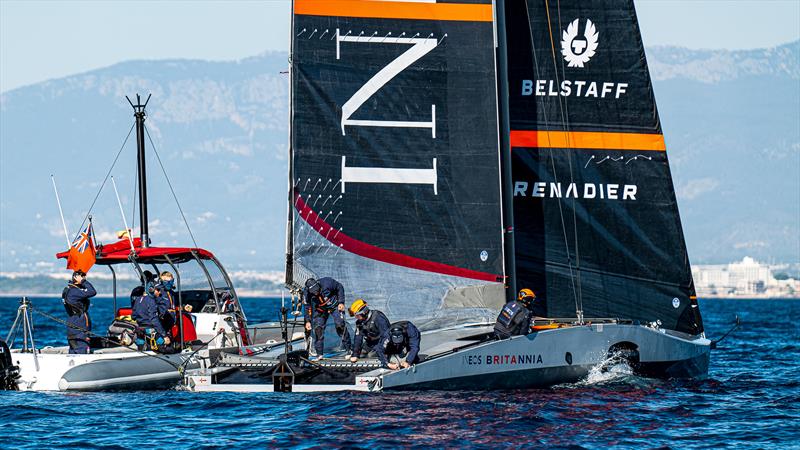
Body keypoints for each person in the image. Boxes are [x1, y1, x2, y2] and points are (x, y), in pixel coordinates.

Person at [303, 277, 352, 360]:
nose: (316, 293)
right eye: (313, 292)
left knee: (340, 325)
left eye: (317, 290)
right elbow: (307, 306)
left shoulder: (327, 282)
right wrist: (307, 321)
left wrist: (341, 302)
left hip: (334, 305)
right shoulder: (306, 293)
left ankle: (349, 350)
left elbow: (339, 287)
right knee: (318, 329)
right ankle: (319, 355)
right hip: (320, 309)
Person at [62, 270, 97, 354]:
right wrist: (83, 281)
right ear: (76, 278)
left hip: (72, 323)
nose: (84, 279)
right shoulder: (74, 291)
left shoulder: (69, 290)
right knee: (81, 348)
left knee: (74, 347)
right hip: (79, 324)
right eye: (82, 277)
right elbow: (92, 292)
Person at [132, 282, 172, 351]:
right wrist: (164, 335)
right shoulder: (151, 301)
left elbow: (133, 316)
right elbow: (154, 319)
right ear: (151, 290)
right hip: (151, 331)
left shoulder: (138, 300)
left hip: (140, 331)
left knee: (142, 349)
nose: (159, 293)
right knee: (168, 347)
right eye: (158, 290)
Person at [348, 298, 390, 363]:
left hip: (381, 342)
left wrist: (380, 349)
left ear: (364, 312)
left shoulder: (378, 318)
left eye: (357, 315)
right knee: (360, 355)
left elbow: (386, 336)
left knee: (370, 356)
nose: (356, 318)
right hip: (370, 343)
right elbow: (358, 338)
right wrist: (355, 354)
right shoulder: (360, 322)